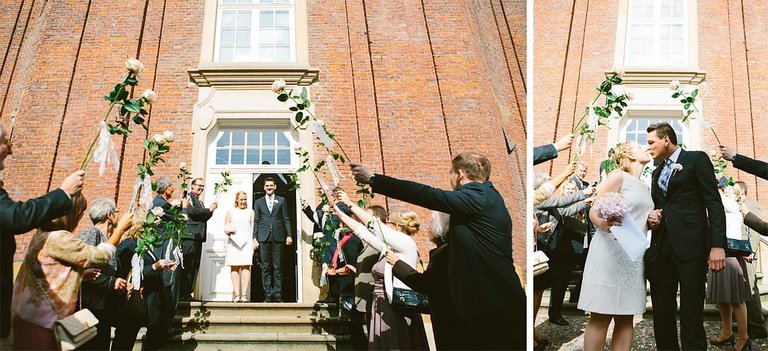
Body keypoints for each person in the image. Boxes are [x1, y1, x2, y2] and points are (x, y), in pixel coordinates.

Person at [351, 152, 526, 350]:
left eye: (450, 173)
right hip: (493, 304)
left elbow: (428, 195)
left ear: (460, 174)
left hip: (494, 308)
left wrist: (373, 179)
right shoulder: (489, 198)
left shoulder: (477, 195)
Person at [11, 194, 132, 350]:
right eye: (80, 212)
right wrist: (120, 229)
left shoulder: (42, 235)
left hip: (37, 315)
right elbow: (98, 257)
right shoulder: (59, 238)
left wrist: (80, 274)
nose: (81, 216)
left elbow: (52, 270)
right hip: (45, 318)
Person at [645, 122, 726, 350]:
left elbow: (713, 202)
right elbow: (661, 205)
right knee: (661, 313)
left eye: (652, 142)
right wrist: (652, 218)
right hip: (661, 250)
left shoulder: (696, 159)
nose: (648, 147)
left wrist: (717, 245)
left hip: (691, 249)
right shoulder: (656, 172)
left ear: (666, 139)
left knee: (691, 312)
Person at [0, 122, 84, 339]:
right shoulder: (58, 239)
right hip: (42, 320)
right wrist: (63, 193)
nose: (10, 150)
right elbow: (16, 217)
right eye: (6, 143)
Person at [579, 141, 653, 351]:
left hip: (633, 256)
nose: (646, 148)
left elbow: (639, 216)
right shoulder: (618, 176)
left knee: (626, 317)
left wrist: (651, 218)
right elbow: (595, 209)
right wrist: (604, 225)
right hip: (609, 252)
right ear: (629, 155)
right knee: (600, 315)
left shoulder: (646, 186)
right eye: (641, 146)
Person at [332, 194, 428, 350]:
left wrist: (349, 203)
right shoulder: (388, 248)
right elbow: (363, 232)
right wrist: (339, 213)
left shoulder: (406, 243)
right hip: (381, 306)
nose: (386, 223)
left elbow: (373, 225)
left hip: (395, 307)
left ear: (397, 226)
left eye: (389, 221)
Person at [386, 210, 462, 350]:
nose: (427, 228)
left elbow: (425, 283)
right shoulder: (450, 249)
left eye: (431, 223)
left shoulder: (443, 253)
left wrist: (397, 264)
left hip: (448, 317)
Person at [706, 182, 752, 350]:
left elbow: (713, 197)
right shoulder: (725, 203)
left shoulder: (731, 204)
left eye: (730, 191)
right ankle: (727, 332)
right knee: (722, 298)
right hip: (720, 252)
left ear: (737, 195)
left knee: (736, 298)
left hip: (731, 255)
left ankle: (744, 336)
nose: (726, 191)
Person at [78, 198, 125, 350]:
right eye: (117, 211)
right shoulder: (92, 233)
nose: (119, 214)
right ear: (109, 215)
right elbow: (82, 266)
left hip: (103, 307)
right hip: (90, 307)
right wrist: (111, 282)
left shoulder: (107, 239)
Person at [144, 175, 182, 349]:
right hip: (164, 251)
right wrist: (181, 208)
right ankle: (164, 326)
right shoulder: (160, 205)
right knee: (168, 289)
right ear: (166, 189)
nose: (173, 189)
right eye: (171, 187)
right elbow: (178, 221)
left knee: (169, 289)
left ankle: (165, 325)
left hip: (165, 250)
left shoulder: (160, 203)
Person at [733, 181, 768, 340]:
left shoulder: (750, 204)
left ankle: (758, 326)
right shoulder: (734, 204)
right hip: (736, 252)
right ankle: (745, 324)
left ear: (743, 192)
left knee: (750, 291)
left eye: (735, 191)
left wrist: (751, 250)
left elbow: (756, 229)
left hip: (747, 253)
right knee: (741, 290)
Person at [253, 177, 293, 302]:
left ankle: (278, 295)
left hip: (278, 237)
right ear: (264, 187)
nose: (269, 187)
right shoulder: (259, 202)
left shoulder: (281, 200)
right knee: (265, 267)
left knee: (277, 267)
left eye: (271, 185)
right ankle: (268, 295)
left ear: (275, 186)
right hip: (263, 237)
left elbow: (286, 218)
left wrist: (289, 235)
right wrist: (254, 237)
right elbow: (256, 220)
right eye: (267, 185)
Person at [179, 177, 217, 302]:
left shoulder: (199, 201)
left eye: (202, 186)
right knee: (188, 266)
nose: (201, 188)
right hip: (189, 237)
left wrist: (210, 211)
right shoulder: (188, 197)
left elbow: (202, 217)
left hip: (197, 238)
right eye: (198, 185)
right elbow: (192, 212)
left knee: (194, 266)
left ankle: (188, 293)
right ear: (192, 186)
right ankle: (183, 294)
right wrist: (209, 210)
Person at [225, 191, 255, 302]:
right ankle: (237, 295)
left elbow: (254, 227)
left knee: (246, 266)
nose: (243, 201)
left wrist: (254, 240)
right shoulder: (231, 211)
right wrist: (228, 231)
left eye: (245, 199)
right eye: (241, 199)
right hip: (234, 242)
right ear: (237, 200)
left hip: (247, 242)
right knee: (235, 267)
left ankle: (244, 295)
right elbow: (226, 225)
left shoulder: (250, 211)